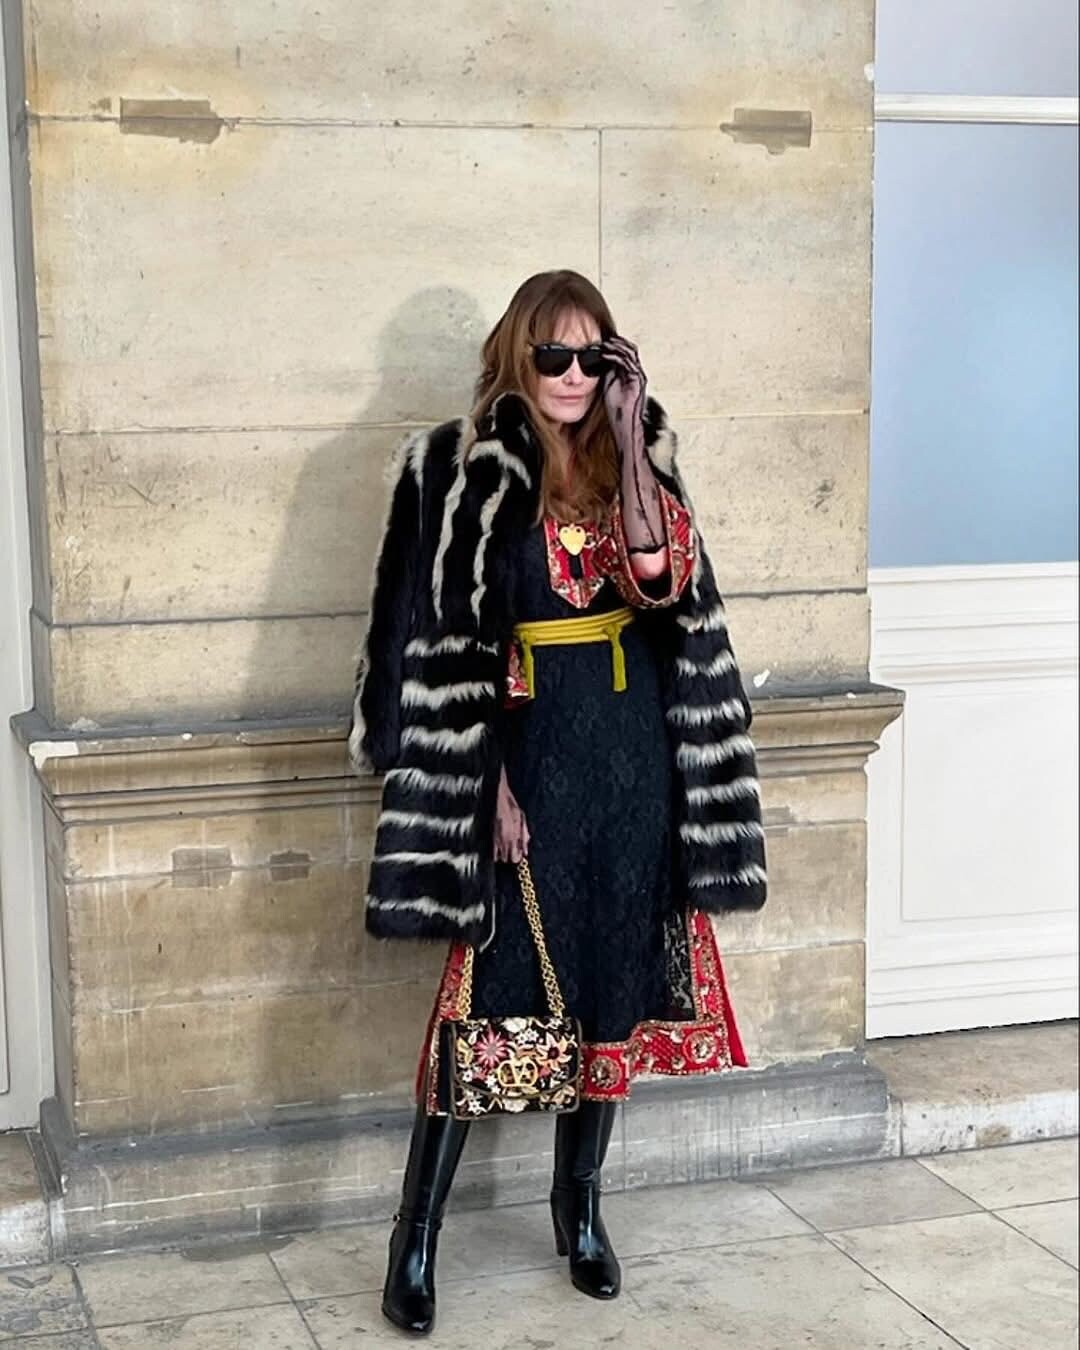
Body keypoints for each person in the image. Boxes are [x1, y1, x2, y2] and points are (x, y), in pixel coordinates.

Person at [348, 269, 767, 1335]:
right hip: (527, 758)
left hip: (634, 762)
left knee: (610, 983)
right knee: (486, 1005)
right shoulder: (453, 469)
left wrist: (630, 434)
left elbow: (662, 583)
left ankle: (578, 1208)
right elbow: (428, 637)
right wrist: (483, 781)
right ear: (515, 355)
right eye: (554, 355)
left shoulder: (640, 460)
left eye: (595, 356)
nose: (574, 375)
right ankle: (416, 1235)